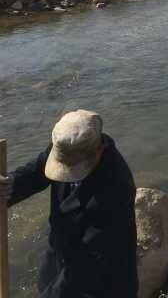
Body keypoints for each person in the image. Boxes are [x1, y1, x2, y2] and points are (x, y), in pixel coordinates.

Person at [0, 110, 138, 298]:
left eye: (72, 168)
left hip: (102, 280)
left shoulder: (114, 190)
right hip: (59, 253)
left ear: (98, 150)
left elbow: (86, 267)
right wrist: (10, 186)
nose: (66, 172)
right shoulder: (66, 146)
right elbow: (37, 171)